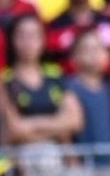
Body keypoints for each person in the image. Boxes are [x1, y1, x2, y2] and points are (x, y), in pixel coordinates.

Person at [2, 13, 84, 146]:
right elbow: (14, 130)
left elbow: (76, 121)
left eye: (34, 35)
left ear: (43, 40)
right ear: (12, 40)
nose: (28, 42)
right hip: (20, 160)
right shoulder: (5, 81)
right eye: (22, 36)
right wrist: (58, 125)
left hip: (59, 158)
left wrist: (31, 125)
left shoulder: (55, 75)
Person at [65, 28, 110, 149]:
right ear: (74, 56)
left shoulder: (109, 90)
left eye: (99, 48)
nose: (94, 54)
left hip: (108, 160)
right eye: (87, 49)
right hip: (83, 160)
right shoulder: (70, 89)